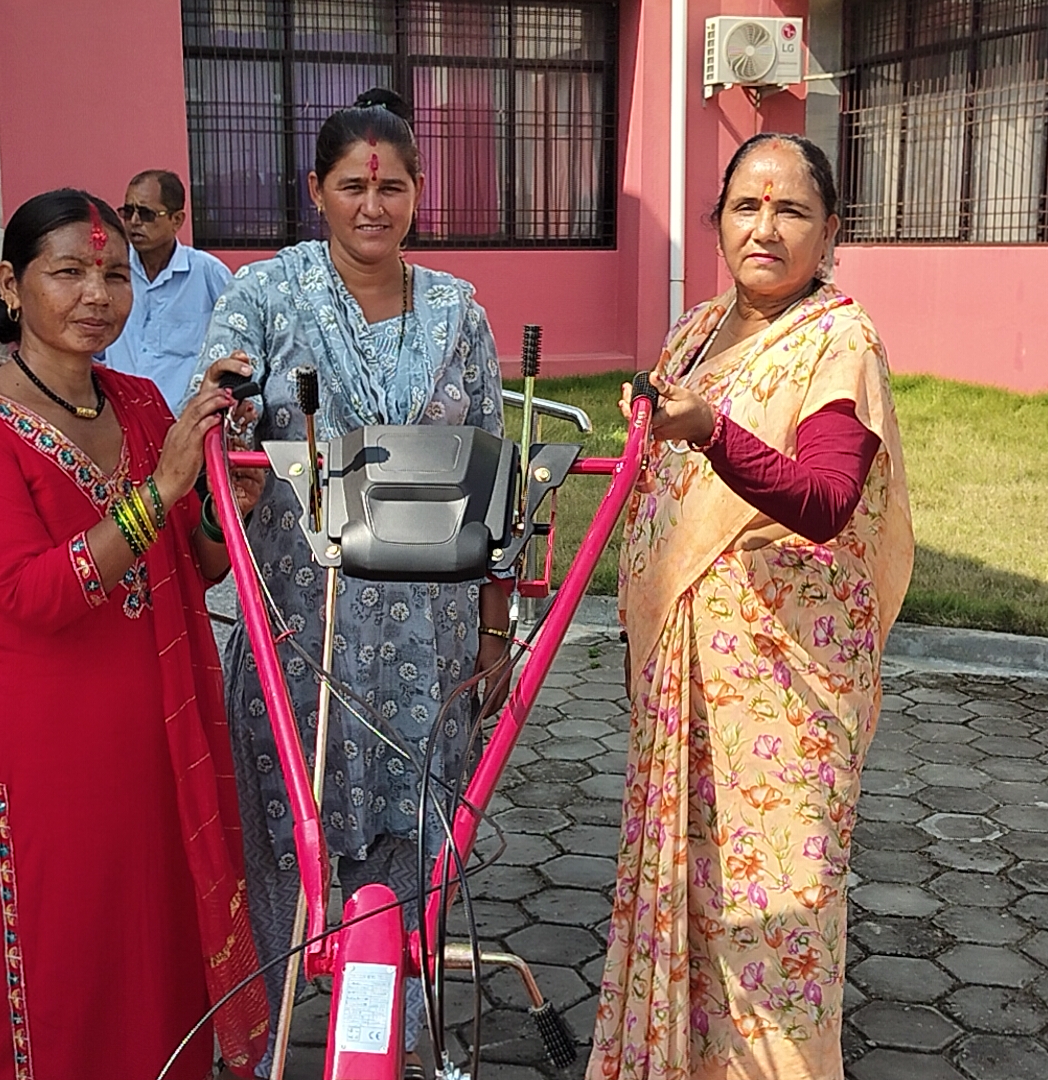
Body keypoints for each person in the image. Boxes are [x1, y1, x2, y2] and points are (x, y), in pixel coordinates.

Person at [199, 87, 511, 1076]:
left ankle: (390, 1030)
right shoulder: (266, 294)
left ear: (417, 192)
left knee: (415, 834)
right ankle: (279, 1023)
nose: (372, 207)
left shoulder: (458, 311)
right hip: (304, 626)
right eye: (351, 187)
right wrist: (229, 417)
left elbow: (493, 470)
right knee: (288, 830)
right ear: (316, 190)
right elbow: (220, 398)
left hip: (431, 639)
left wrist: (496, 628)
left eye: (392, 188)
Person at [589, 134, 914, 1080]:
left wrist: (713, 433)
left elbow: (826, 500)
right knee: (688, 899)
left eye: (791, 210)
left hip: (781, 693)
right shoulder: (696, 330)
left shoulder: (838, 340)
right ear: (719, 221)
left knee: (775, 915)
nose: (764, 228)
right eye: (745, 207)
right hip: (684, 674)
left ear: (831, 229)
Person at [0, 188, 269, 1080]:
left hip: (162, 746)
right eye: (69, 272)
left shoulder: (142, 401)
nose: (96, 295)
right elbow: (29, 595)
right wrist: (163, 490)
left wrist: (222, 503)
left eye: (114, 275)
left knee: (157, 961)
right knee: (61, 970)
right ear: (11, 284)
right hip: (52, 759)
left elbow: (195, 566)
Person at [102, 169, 233, 409]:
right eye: (128, 212)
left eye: (146, 214)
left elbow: (236, 340)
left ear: (177, 220)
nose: (134, 222)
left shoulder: (208, 274)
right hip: (119, 414)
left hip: (181, 419)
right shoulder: (112, 271)